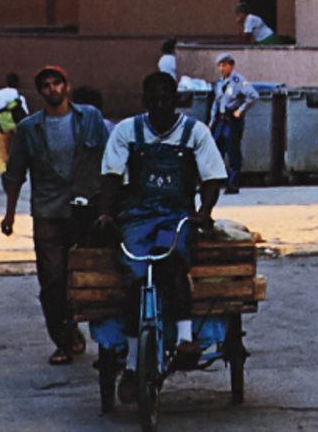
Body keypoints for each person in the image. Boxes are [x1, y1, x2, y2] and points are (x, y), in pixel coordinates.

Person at [96, 71, 226, 400]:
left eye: (165, 98)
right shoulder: (127, 131)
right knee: (135, 276)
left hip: (176, 215)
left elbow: (212, 177)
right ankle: (132, 364)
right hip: (137, 216)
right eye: (152, 99)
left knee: (173, 262)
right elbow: (111, 175)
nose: (159, 105)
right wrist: (106, 213)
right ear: (144, 101)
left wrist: (204, 211)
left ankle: (184, 339)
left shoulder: (195, 132)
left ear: (175, 100)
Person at [1, 65, 108, 366]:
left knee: (93, 276)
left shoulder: (90, 119)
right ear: (40, 92)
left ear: (67, 86)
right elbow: (15, 174)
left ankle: (104, 340)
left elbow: (111, 160)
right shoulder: (29, 129)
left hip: (85, 209)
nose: (52, 89)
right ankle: (63, 339)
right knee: (52, 281)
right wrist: (9, 214)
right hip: (48, 212)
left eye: (56, 83)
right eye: (46, 85)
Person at [208, 57, 258, 196]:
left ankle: (233, 184)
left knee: (233, 151)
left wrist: (240, 110)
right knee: (216, 151)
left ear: (231, 66)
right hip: (221, 120)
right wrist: (212, 122)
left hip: (232, 121)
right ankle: (214, 183)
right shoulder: (220, 83)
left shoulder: (238, 81)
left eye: (224, 65)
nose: (221, 68)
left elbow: (253, 95)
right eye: (220, 66)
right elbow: (216, 103)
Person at [0, 82, 27, 178]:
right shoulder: (20, 97)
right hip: (15, 128)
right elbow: (25, 114)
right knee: (12, 153)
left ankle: (4, 174)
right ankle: (14, 173)